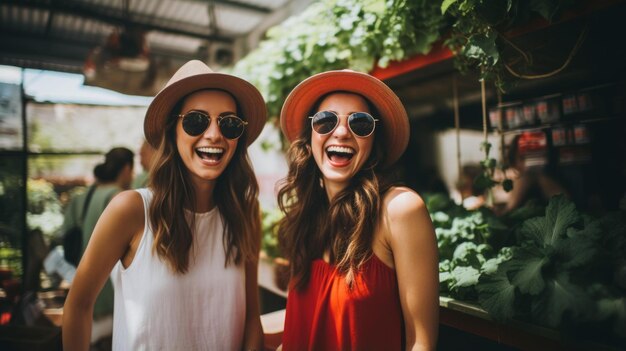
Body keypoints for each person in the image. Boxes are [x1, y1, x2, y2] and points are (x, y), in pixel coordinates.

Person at [63, 60, 267, 350]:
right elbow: (78, 305)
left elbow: (250, 319)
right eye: (196, 120)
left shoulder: (245, 214)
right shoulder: (132, 210)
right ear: (173, 131)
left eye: (229, 123)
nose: (214, 134)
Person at [277, 70, 439, 350]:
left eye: (360, 123)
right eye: (325, 121)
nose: (341, 131)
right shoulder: (305, 218)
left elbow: (421, 343)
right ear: (310, 137)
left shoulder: (399, 210)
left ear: (374, 141)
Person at [57, 146, 134, 347]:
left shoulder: (84, 196)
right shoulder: (120, 199)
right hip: (108, 291)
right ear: (126, 169)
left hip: (82, 281)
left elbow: (65, 232)